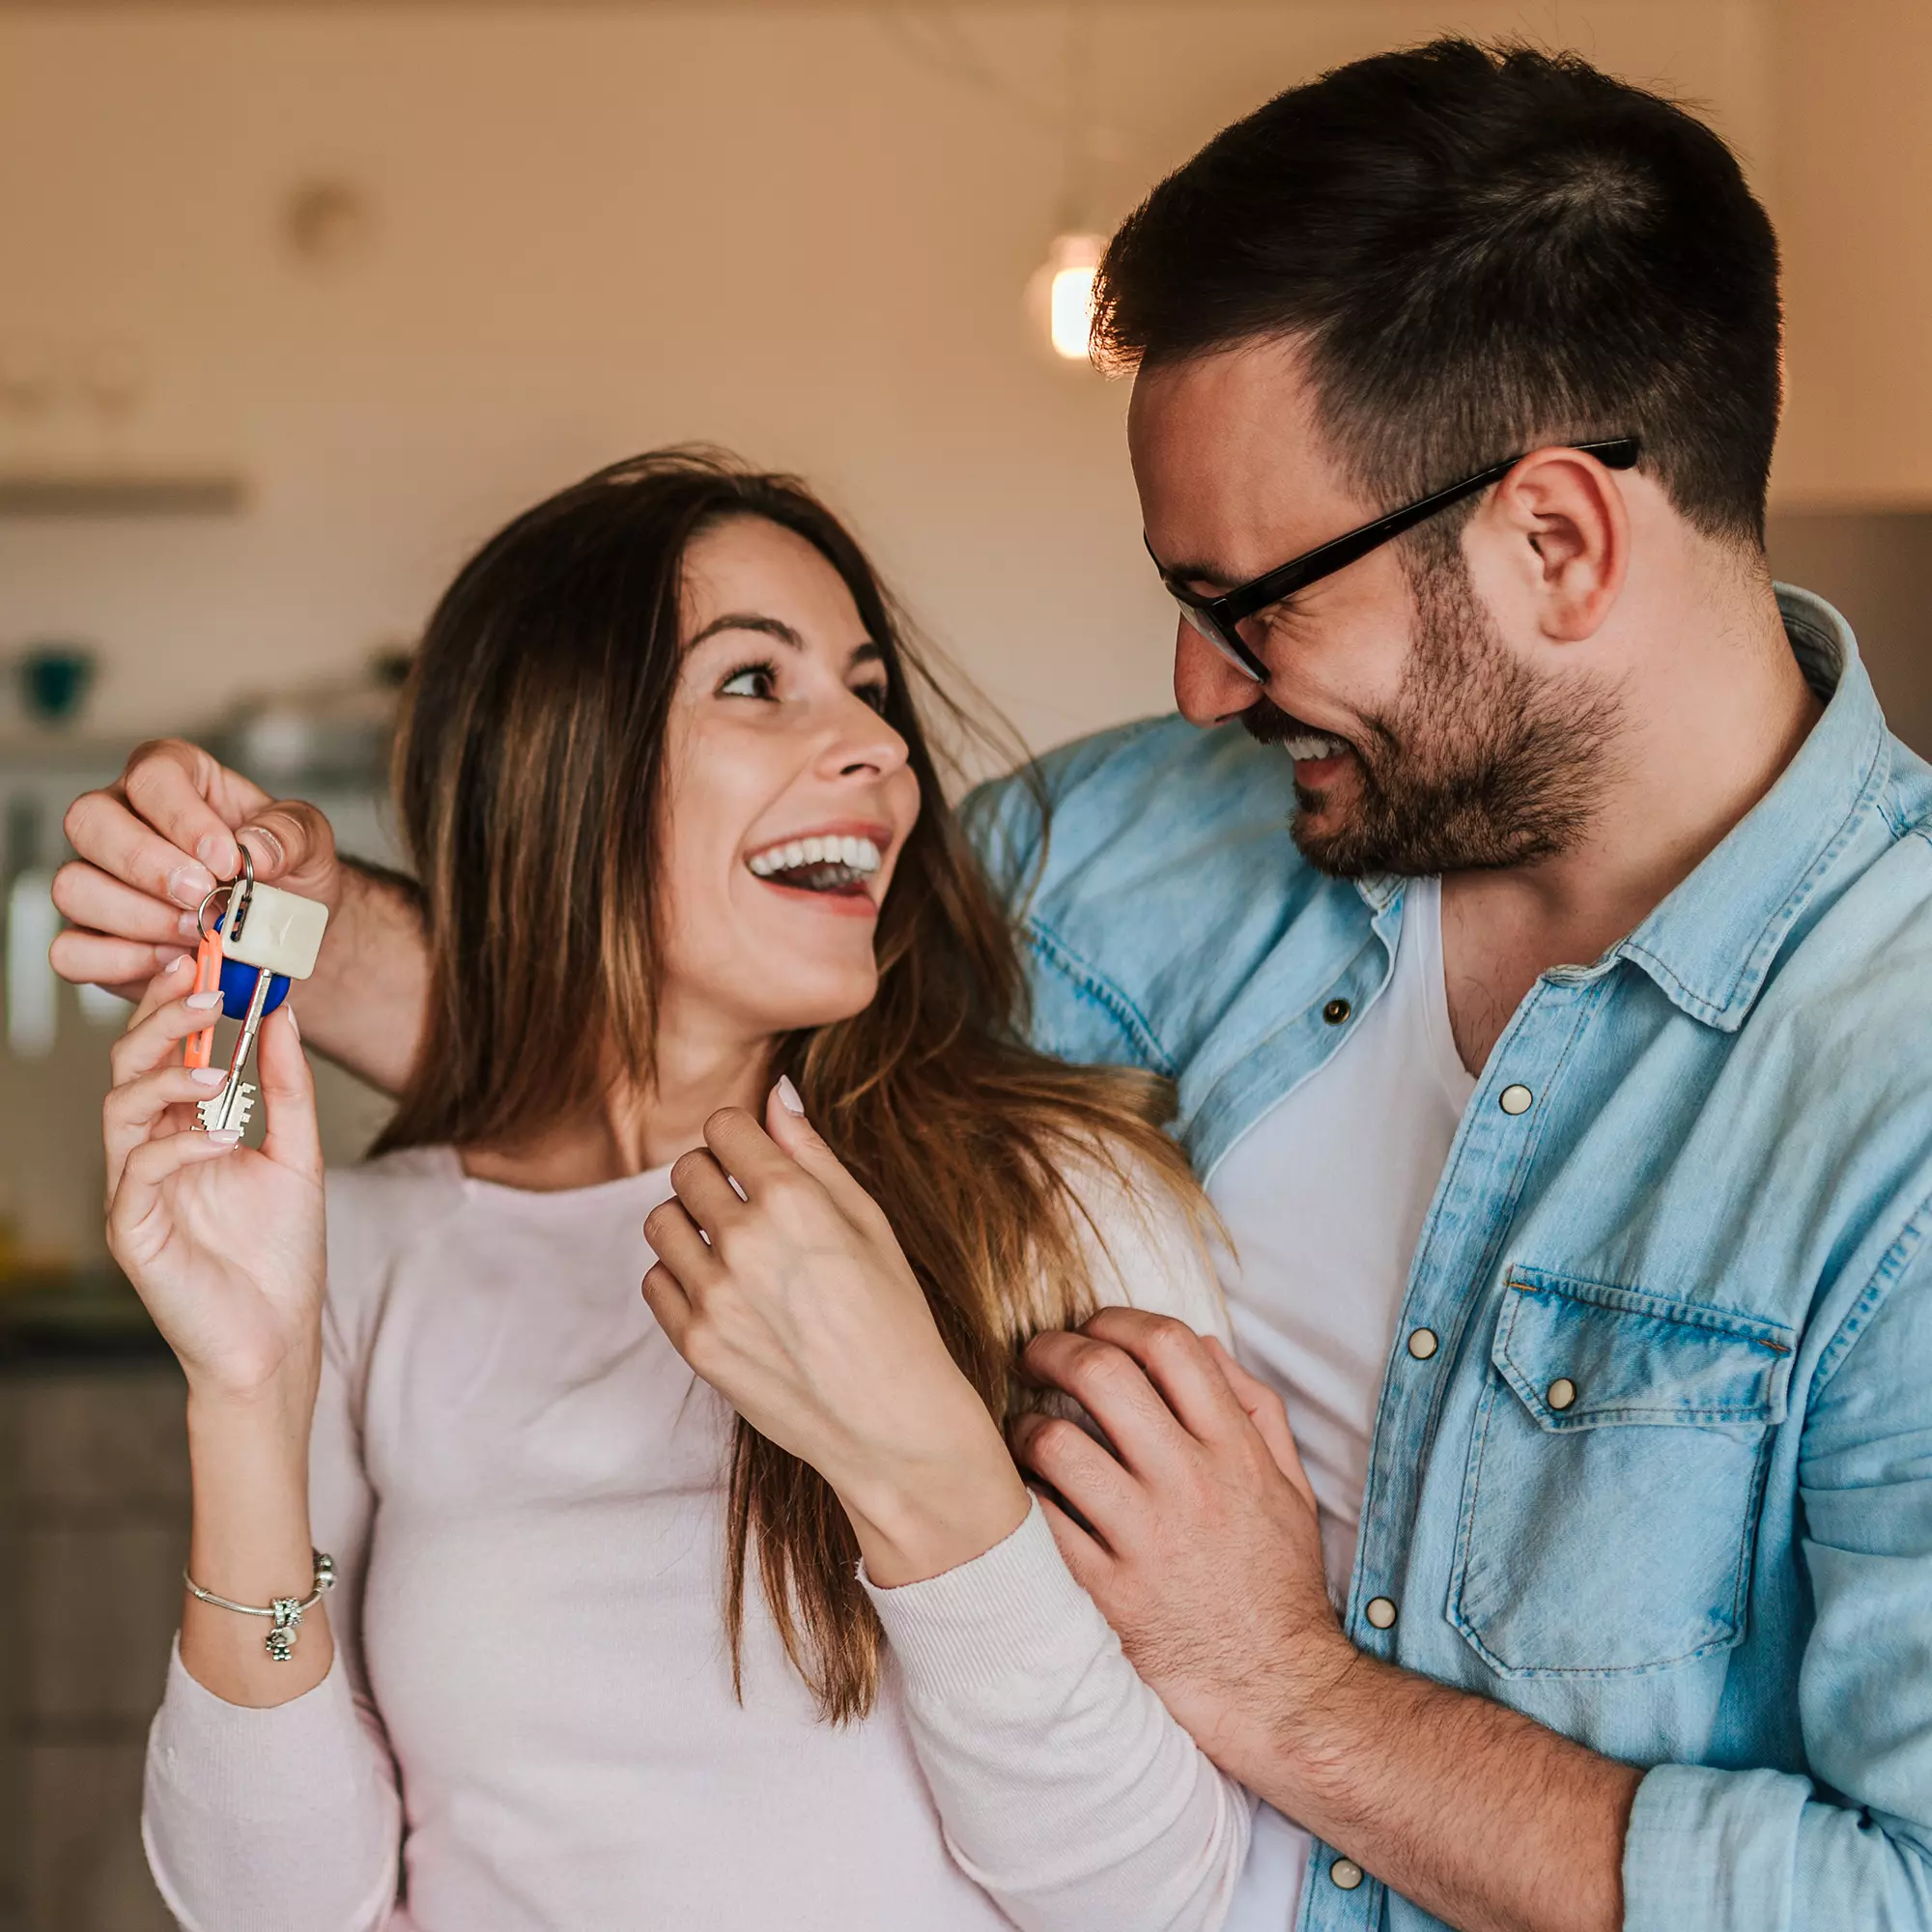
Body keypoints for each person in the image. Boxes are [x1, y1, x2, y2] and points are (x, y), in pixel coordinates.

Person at [60, 38, 1932, 1932]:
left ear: (1554, 538)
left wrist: (1279, 1684)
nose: (1198, 693)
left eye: (1251, 602)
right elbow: (681, 1040)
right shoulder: (1144, 849)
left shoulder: (1898, 1111)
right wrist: (293, 921)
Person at [96, 451, 1254, 1932]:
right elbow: (275, 1909)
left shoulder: (1058, 1196)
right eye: (755, 685)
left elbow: (1160, 1902)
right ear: (557, 764)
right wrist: (245, 1396)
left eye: (869, 689)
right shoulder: (374, 1251)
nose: (879, 754)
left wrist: (924, 1461)